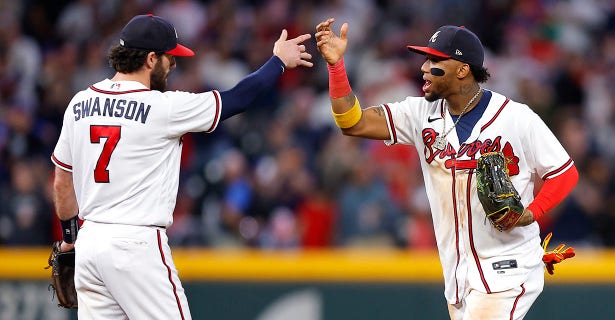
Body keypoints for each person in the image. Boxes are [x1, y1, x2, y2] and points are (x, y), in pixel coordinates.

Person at [51, 14, 312, 319]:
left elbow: (61, 182)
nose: (173, 66)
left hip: (90, 241)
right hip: (136, 244)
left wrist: (71, 238)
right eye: (169, 58)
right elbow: (237, 99)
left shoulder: (80, 103)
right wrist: (277, 62)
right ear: (151, 59)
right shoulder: (163, 107)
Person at [315, 18, 579, 320]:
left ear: (463, 69)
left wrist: (531, 212)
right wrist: (336, 66)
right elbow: (353, 123)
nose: (424, 67)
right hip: (458, 275)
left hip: (509, 265)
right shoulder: (419, 114)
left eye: (435, 59)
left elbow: (564, 173)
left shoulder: (517, 118)